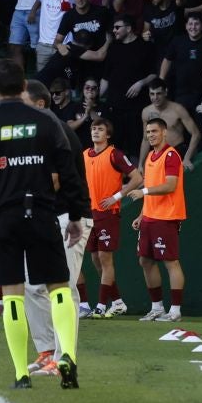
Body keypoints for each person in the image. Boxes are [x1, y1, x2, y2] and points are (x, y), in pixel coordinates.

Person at [0, 58, 88, 390]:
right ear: (23, 84)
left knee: (13, 294)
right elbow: (68, 169)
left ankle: (20, 374)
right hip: (43, 213)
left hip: (4, 217)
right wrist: (75, 215)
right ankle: (66, 354)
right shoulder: (47, 121)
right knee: (58, 286)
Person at [125, 116, 187, 322]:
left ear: (164, 132)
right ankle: (157, 307)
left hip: (167, 216)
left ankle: (175, 310)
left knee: (170, 262)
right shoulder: (151, 156)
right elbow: (151, 190)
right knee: (145, 260)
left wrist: (144, 191)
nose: (151, 135)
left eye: (154, 131)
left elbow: (170, 185)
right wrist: (142, 215)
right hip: (150, 217)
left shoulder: (171, 155)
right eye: (148, 132)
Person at [81, 115, 134, 317]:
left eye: (100, 129)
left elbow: (137, 178)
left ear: (108, 134)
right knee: (95, 259)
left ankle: (101, 305)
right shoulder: (84, 154)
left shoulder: (115, 154)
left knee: (105, 258)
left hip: (107, 213)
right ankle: (118, 302)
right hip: (89, 213)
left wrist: (117, 196)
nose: (96, 132)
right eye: (94, 129)